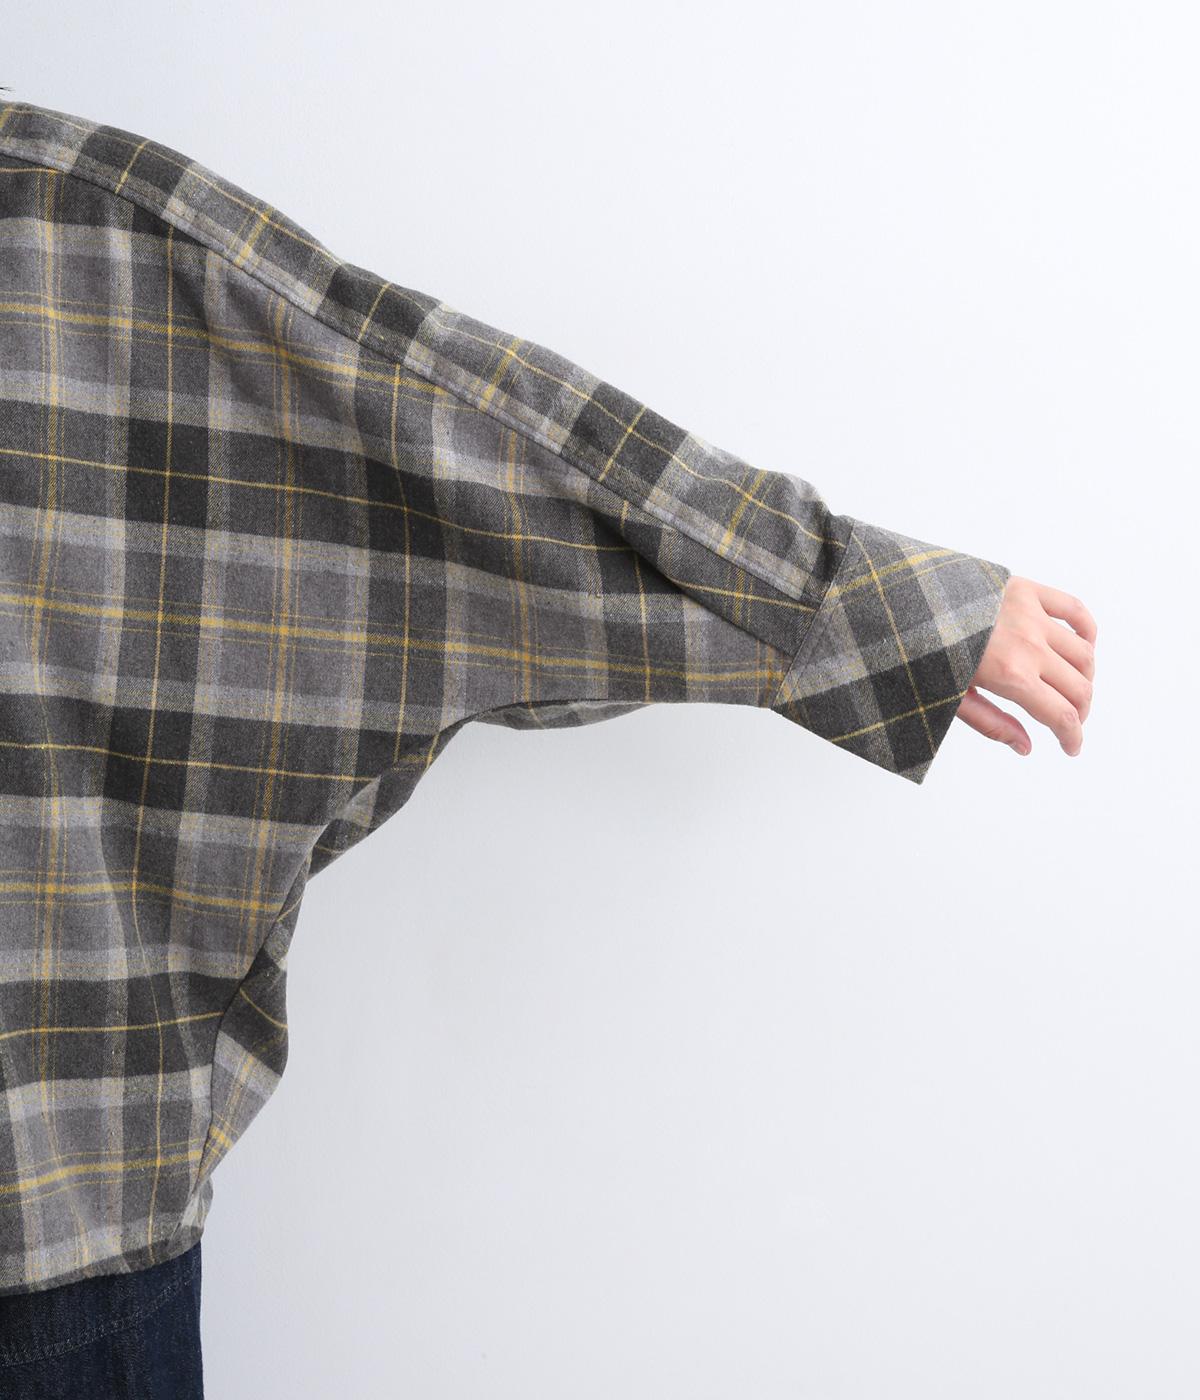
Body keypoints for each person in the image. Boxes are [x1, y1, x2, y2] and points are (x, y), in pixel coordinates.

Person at [0, 96, 1095, 1397]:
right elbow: (462, 444)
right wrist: (867, 607)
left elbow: (453, 445)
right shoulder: (69, 230)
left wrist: (865, 608)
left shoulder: (65, 239)